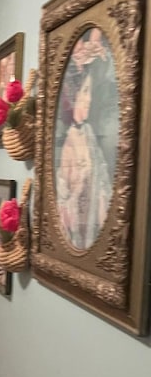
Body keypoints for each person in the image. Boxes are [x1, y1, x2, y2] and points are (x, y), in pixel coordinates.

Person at [55, 38, 114, 250]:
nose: (89, 99)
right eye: (85, 93)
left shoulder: (87, 133)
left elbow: (101, 181)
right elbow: (64, 195)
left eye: (90, 92)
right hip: (77, 229)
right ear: (74, 96)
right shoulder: (69, 140)